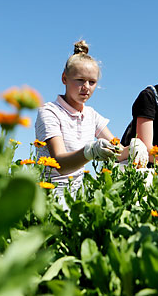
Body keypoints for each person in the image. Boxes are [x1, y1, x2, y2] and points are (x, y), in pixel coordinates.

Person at [35, 40, 122, 202]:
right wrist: (90, 152)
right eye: (80, 80)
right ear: (64, 78)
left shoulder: (91, 115)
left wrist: (135, 150)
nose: (86, 87)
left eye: (92, 82)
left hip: (80, 194)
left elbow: (117, 150)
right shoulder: (49, 111)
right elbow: (60, 163)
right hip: (50, 193)